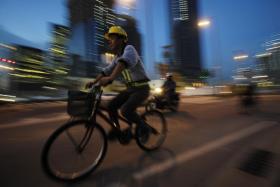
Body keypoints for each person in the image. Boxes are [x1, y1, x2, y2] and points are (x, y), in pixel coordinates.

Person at [86, 26, 150, 139]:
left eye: (112, 38)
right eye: (108, 39)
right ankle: (116, 129)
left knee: (125, 110)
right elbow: (106, 70)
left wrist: (111, 78)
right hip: (130, 90)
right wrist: (93, 82)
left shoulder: (129, 49)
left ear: (121, 39)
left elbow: (124, 62)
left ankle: (144, 127)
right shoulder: (117, 57)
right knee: (111, 106)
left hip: (141, 89)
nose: (109, 41)